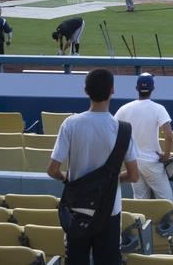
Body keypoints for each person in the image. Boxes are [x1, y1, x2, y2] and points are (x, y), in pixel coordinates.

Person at [48, 69, 139, 265]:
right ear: (112, 90)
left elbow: (53, 170)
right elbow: (134, 175)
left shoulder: (70, 124)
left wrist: (67, 179)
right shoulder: (123, 129)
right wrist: (112, 180)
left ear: (86, 90)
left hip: (76, 210)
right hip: (109, 211)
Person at [113, 73, 173, 201]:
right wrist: (166, 156)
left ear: (137, 88)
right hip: (153, 163)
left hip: (133, 162)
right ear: (153, 89)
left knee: (140, 202)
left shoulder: (124, 109)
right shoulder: (159, 109)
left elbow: (112, 131)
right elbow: (169, 136)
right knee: (167, 202)